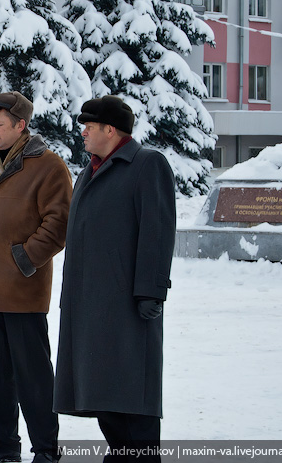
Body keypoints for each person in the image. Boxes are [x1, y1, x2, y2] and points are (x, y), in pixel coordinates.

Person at [53, 95, 175, 462]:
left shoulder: (147, 164)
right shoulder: (90, 169)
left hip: (129, 303)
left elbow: (158, 231)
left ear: (111, 130)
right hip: (89, 302)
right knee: (103, 390)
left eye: (89, 127)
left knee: (132, 392)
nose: (83, 134)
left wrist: (151, 290)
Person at [0, 92, 72, 463]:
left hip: (23, 290)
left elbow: (58, 223)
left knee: (34, 378)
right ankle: (4, 444)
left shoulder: (49, 166)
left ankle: (46, 449)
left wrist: (24, 259)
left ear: (21, 126)